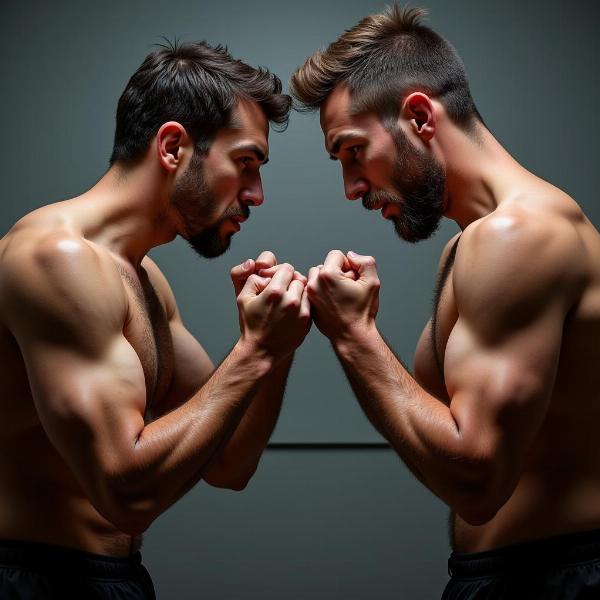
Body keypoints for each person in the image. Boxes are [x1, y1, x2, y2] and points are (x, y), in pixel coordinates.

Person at [288, 5, 600, 598]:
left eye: (353, 152)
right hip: (513, 574)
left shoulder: (518, 237)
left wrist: (356, 337)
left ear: (418, 115)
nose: (352, 188)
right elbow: (443, 430)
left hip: (554, 577)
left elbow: (478, 482)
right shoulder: (474, 242)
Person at [0, 41, 310, 598]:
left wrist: (277, 343)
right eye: (245, 164)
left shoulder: (144, 281)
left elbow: (230, 463)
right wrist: (253, 352)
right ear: (173, 146)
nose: (256, 195)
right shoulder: (53, 259)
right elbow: (123, 492)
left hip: (116, 579)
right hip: (34, 578)